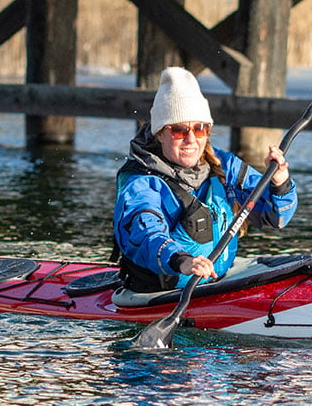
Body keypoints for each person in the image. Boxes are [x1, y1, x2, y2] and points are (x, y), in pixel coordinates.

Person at [113, 66, 297, 293]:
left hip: (216, 282)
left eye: (200, 129)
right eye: (179, 130)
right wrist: (183, 261)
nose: (191, 139)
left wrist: (279, 182)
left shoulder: (224, 165)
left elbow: (275, 218)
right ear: (159, 133)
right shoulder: (141, 182)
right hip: (161, 292)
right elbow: (145, 235)